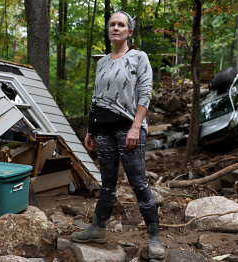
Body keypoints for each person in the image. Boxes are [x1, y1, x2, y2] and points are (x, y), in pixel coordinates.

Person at [70, 11, 165, 259]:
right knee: (108, 183)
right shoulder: (102, 62)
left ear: (129, 32)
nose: (116, 28)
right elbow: (95, 98)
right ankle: (97, 229)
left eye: (121, 25)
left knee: (137, 182)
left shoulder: (138, 57)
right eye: (112, 24)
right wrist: (91, 129)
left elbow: (145, 93)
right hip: (103, 129)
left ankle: (154, 236)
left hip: (128, 128)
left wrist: (136, 127)